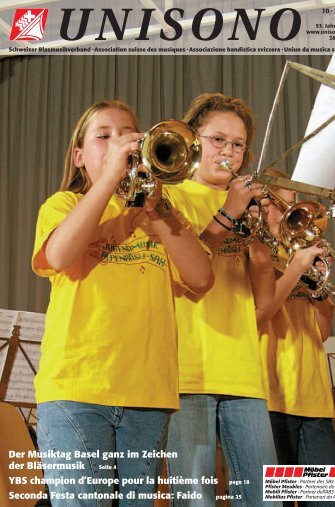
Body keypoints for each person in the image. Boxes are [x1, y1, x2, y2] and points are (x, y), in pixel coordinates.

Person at [31, 99, 214, 507]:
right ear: (79, 156)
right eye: (104, 136)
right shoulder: (63, 205)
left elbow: (201, 279)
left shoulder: (160, 218)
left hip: (148, 394)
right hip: (77, 390)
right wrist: (111, 177)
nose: (119, 143)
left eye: (128, 134)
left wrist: (160, 210)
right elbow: (59, 256)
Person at [165, 93, 280, 507]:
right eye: (218, 140)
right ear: (193, 140)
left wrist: (265, 242)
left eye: (237, 144)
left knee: (266, 499)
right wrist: (229, 213)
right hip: (187, 372)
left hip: (245, 372)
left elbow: (263, 309)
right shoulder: (171, 197)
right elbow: (188, 276)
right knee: (194, 500)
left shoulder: (246, 205)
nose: (228, 152)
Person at [258, 169, 335, 507]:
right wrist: (294, 269)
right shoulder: (257, 255)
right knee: (275, 502)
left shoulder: (304, 258)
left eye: (290, 205)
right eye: (276, 204)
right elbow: (260, 312)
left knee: (330, 504)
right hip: (271, 400)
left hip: (316, 401)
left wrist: (320, 289)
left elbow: (321, 332)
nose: (284, 215)